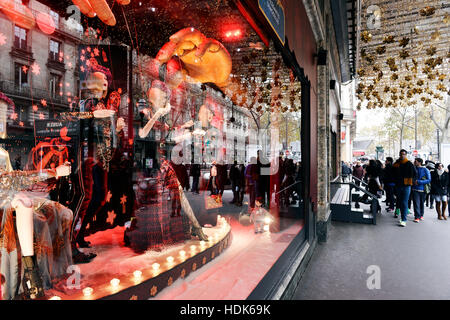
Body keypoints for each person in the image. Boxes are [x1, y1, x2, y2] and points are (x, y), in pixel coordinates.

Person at [392, 149, 416, 227]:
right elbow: (393, 173)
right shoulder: (396, 164)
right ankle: (402, 217)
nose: (402, 155)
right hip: (399, 185)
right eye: (401, 154)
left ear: (406, 155)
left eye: (404, 154)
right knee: (400, 201)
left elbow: (414, 174)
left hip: (406, 186)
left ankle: (404, 219)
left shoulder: (409, 164)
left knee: (404, 202)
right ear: (399, 155)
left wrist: (412, 182)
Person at [411, 158, 431, 222]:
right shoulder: (413, 169)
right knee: (416, 203)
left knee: (422, 203)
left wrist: (419, 182)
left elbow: (429, 179)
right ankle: (417, 216)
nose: (414, 162)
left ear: (419, 162)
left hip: (423, 189)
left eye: (415, 161)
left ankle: (421, 215)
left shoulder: (425, 169)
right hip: (414, 188)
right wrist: (413, 181)